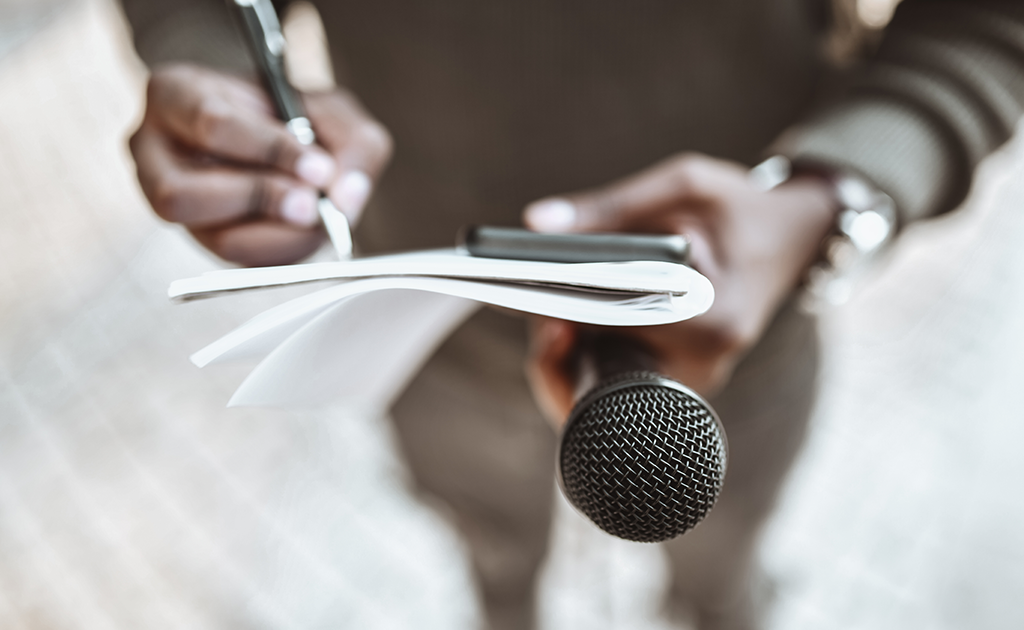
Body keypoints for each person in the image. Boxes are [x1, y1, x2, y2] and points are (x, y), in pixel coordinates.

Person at [119, 0, 1024, 628]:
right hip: (434, 330)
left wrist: (836, 189)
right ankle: (503, 607)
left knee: (724, 557)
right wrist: (225, 95)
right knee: (488, 540)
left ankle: (721, 610)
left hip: (736, 338)